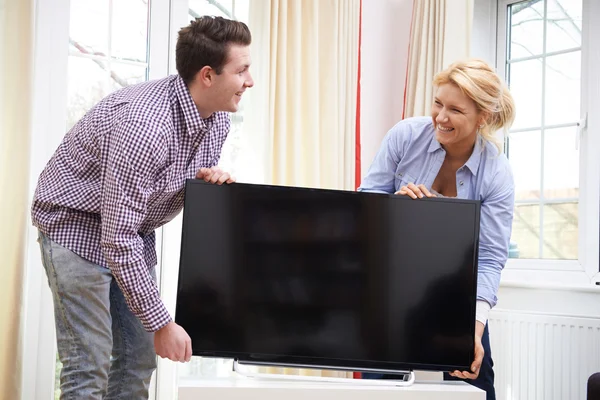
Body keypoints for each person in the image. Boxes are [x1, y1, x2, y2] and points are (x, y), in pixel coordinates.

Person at [31, 15, 254, 400]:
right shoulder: (144, 125)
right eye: (242, 70)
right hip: (73, 225)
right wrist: (162, 322)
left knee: (137, 360)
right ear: (207, 76)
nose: (250, 81)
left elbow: (151, 190)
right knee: (90, 364)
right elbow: (116, 236)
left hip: (127, 231)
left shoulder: (216, 120)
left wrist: (203, 183)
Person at [358, 58, 516, 400]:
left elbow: (488, 258)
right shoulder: (405, 136)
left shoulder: (496, 174)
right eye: (438, 104)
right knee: (379, 387)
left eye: (455, 110)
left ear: (482, 118)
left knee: (475, 384)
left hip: (455, 295)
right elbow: (365, 204)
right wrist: (396, 208)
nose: (440, 118)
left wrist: (474, 330)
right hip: (391, 289)